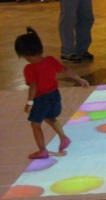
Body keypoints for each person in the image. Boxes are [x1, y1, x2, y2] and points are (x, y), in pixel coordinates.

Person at [15, 28, 88, 159]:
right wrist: (79, 79)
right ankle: (63, 137)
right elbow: (66, 70)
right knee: (50, 117)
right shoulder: (50, 60)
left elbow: (34, 86)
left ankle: (42, 150)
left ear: (25, 55)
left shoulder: (29, 68)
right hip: (55, 96)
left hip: (41, 100)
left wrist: (30, 102)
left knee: (35, 125)